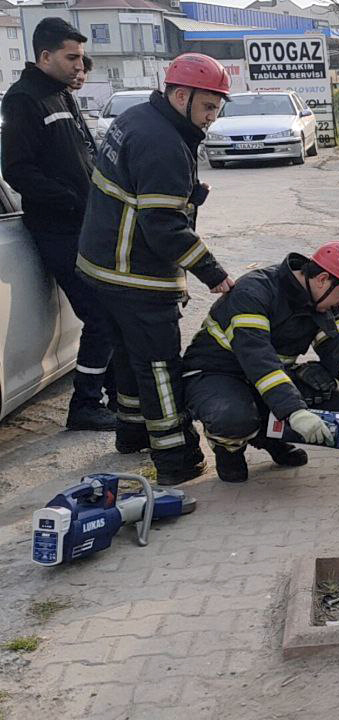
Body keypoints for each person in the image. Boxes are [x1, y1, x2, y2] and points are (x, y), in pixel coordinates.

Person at [76, 52, 233, 484]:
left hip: (100, 265)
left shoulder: (138, 118)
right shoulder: (163, 142)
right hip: (136, 275)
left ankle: (132, 432)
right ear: (181, 95)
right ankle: (176, 457)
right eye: (207, 108)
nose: (210, 119)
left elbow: (138, 189)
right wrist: (214, 273)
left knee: (128, 356)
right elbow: (163, 227)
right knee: (161, 366)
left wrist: (188, 194)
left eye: (217, 109)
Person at [182, 242, 339, 483]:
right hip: (215, 375)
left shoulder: (321, 303)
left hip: (262, 379)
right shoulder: (254, 292)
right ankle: (229, 449)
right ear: (322, 279)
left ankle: (269, 438)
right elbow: (259, 360)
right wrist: (294, 411)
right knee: (233, 417)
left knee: (337, 403)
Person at [1, 19, 114, 430]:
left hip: (86, 225)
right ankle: (85, 406)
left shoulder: (60, 95)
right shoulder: (23, 100)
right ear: (45, 56)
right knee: (99, 314)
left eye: (81, 57)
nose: (79, 66)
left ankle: (116, 397)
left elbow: (82, 155)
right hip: (57, 229)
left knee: (111, 311)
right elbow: (17, 170)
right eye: (72, 57)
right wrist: (70, 200)